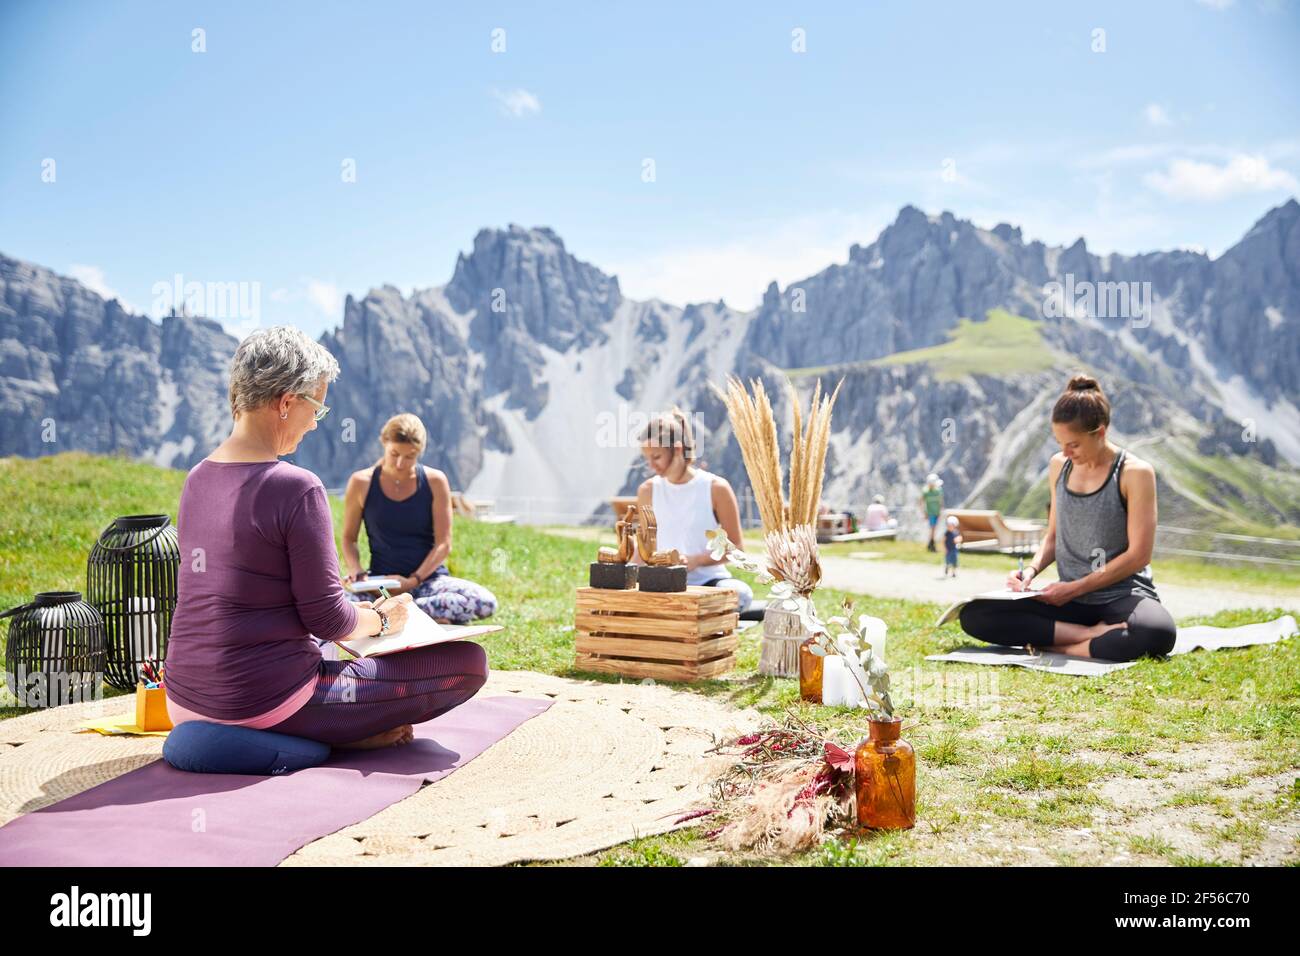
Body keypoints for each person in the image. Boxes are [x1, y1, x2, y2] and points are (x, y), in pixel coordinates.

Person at [164, 327, 488, 749]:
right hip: (265, 701)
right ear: (286, 403)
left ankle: (315, 736)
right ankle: (340, 738)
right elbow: (329, 621)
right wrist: (385, 619)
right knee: (466, 663)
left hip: (184, 701)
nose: (315, 424)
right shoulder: (296, 487)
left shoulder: (197, 480)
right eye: (316, 407)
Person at [958, 374, 1177, 662]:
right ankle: (1090, 636)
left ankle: (1058, 646)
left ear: (1100, 433)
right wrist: (1031, 572)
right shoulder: (1059, 466)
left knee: (1157, 632)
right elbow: (1053, 535)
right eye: (1060, 443)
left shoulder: (1135, 473)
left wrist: (1076, 587)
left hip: (1121, 596)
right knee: (975, 615)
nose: (1065, 452)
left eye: (1073, 444)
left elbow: (1139, 555)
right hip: (1069, 599)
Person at [341, 413, 498, 625]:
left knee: (485, 602)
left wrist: (413, 580)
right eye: (394, 453)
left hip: (428, 581)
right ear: (384, 443)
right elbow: (349, 539)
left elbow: (444, 543)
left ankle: (390, 615)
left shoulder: (435, 481)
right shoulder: (361, 482)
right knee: (339, 604)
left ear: (420, 452)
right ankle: (422, 616)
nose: (400, 463)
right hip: (381, 585)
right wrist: (357, 572)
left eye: (410, 456)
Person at [634, 408, 753, 613]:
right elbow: (643, 546)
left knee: (740, 593)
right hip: (662, 583)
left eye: (657, 457)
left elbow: (736, 548)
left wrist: (696, 560)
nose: (652, 466)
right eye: (648, 459)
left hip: (709, 582)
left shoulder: (716, 488)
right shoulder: (647, 491)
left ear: (678, 449)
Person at [920, 474, 944, 551]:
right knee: (932, 528)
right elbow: (921, 502)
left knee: (934, 529)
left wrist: (940, 511)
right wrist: (924, 512)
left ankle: (931, 544)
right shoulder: (925, 491)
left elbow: (940, 501)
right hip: (930, 513)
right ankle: (931, 545)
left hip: (937, 512)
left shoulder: (939, 490)